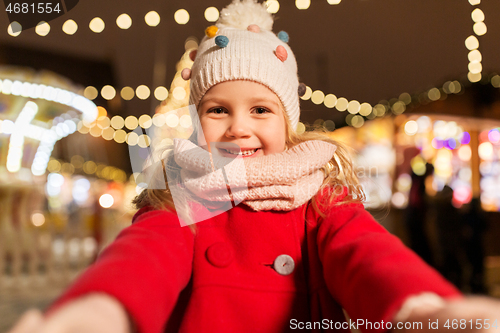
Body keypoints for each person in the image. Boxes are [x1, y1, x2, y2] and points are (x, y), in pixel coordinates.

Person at [8, 1, 500, 332]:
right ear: (198, 122)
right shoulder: (184, 197)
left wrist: (424, 309)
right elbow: (142, 259)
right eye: (217, 109)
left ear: (289, 122)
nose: (238, 127)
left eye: (261, 110)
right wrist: (98, 313)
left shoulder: (320, 200)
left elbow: (369, 256)